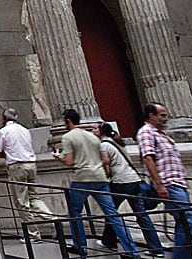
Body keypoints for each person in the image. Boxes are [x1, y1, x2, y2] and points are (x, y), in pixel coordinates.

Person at [58, 109, 139, 259]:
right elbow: (105, 160)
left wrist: (58, 157)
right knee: (113, 214)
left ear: (68, 121)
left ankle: (80, 246)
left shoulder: (68, 137)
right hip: (100, 178)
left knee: (74, 212)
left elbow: (69, 161)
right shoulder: (94, 137)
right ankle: (132, 251)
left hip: (82, 178)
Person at [139, 103, 192, 259]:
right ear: (151, 115)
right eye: (163, 115)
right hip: (168, 183)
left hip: (177, 183)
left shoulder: (162, 135)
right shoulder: (146, 132)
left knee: (184, 220)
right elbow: (148, 158)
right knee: (188, 220)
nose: (166, 118)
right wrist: (159, 184)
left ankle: (185, 255)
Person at [98, 121, 163, 257]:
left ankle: (109, 241)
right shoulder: (119, 143)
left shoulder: (104, 144)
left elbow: (106, 164)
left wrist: (105, 174)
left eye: (94, 129)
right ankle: (156, 248)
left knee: (111, 211)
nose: (93, 131)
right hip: (134, 180)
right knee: (141, 215)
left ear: (101, 131)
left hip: (121, 182)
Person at [0, 107, 54, 240]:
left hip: (17, 166)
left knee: (22, 202)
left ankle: (33, 234)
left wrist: (9, 154)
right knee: (34, 197)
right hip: (31, 164)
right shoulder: (25, 130)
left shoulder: (3, 131)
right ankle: (52, 219)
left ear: (4, 119)